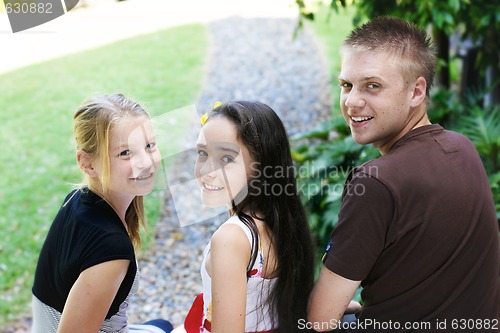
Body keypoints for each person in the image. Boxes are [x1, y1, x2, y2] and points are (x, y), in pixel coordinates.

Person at [307, 16, 500, 332]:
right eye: (346, 85)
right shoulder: (462, 148)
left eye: (373, 85)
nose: (352, 102)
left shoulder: (375, 182)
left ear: (416, 92)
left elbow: (320, 319)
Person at [31, 93, 173, 333]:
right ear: (87, 163)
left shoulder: (77, 201)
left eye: (149, 146)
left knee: (164, 325)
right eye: (125, 153)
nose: (146, 162)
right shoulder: (111, 250)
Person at [173, 101, 316, 333]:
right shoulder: (283, 221)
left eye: (227, 158)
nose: (207, 170)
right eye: (202, 153)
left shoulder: (232, 238)